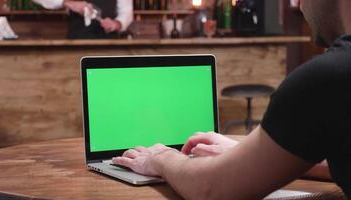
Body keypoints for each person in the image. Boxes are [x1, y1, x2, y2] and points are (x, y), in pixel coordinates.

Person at [112, 0, 351, 199]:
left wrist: (161, 158)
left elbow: (211, 189)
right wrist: (252, 155)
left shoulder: (328, 77)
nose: (298, 4)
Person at [33, 0, 133, 39]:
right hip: (76, 42)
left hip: (109, 44)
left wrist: (116, 24)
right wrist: (66, 2)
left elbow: (127, 12)